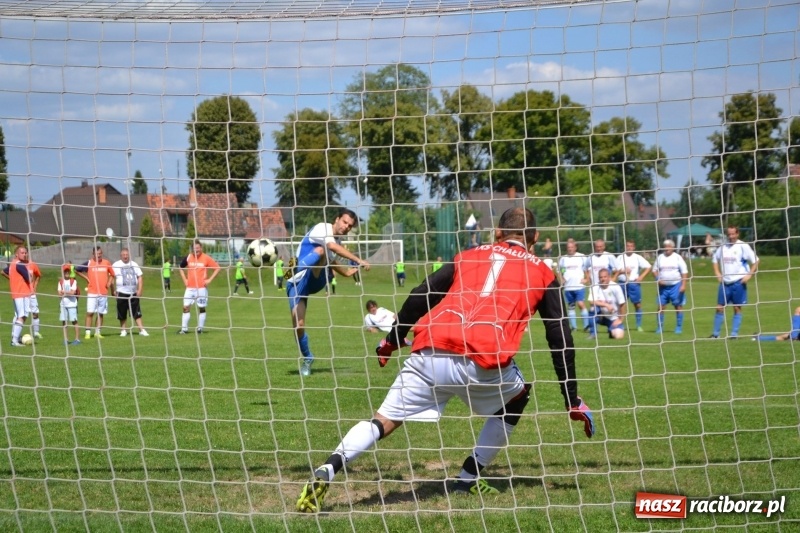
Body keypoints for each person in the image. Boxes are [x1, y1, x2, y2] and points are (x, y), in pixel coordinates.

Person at [295, 207, 595, 513]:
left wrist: (392, 340)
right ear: (534, 238)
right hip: (484, 361)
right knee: (518, 396)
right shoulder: (543, 272)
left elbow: (420, 294)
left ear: (498, 234)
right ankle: (467, 478)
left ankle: (329, 468)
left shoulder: (468, 255)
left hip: (430, 350)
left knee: (383, 419)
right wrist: (571, 398)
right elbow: (560, 336)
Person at [286, 208, 371, 377]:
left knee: (322, 251)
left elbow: (331, 260)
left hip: (315, 278)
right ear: (337, 219)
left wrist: (346, 273)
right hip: (296, 283)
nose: (346, 227)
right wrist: (358, 260)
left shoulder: (334, 243)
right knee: (299, 325)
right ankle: (308, 358)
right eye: (345, 222)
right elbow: (331, 248)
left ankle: (295, 266)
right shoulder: (322, 228)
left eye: (350, 226)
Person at [710, 226, 758, 339]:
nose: (731, 236)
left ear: (737, 234)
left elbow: (756, 260)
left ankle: (734, 335)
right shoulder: (723, 247)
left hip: (738, 282)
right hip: (725, 283)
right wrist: (717, 273)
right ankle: (715, 334)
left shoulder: (743, 246)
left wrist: (749, 275)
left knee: (737, 308)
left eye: (733, 234)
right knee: (719, 307)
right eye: (729, 234)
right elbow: (714, 259)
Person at [177, 240, 222, 334]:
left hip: (201, 288)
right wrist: (185, 280)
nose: (196, 250)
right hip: (189, 288)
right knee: (185, 307)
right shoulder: (189, 257)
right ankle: (184, 329)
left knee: (201, 308)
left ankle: (200, 329)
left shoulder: (206, 258)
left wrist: (209, 280)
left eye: (197, 248)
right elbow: (180, 267)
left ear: (201, 248)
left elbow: (217, 268)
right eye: (194, 248)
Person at [75, 246, 115, 339]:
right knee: (90, 312)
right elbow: (77, 270)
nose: (99, 256)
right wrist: (87, 278)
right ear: (93, 254)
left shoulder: (106, 262)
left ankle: (98, 332)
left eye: (100, 254)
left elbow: (112, 274)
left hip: (103, 292)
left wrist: (109, 282)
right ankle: (88, 333)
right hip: (92, 292)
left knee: (100, 313)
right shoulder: (89, 263)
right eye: (97, 254)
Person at [2, 246, 39, 347]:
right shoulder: (19, 265)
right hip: (21, 293)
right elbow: (30, 278)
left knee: (19, 315)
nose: (25, 254)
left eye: (25, 253)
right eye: (22, 253)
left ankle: (15, 336)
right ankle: (14, 340)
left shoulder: (13, 264)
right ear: (16, 254)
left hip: (17, 293)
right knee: (22, 316)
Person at [651, 239, 688, 335]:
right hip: (663, 288)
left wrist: (683, 285)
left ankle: (679, 327)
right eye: (665, 246)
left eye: (668, 246)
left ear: (672, 247)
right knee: (660, 307)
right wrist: (658, 278)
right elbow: (654, 270)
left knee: (678, 306)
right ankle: (659, 327)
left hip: (676, 285)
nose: (666, 248)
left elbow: (684, 272)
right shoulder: (660, 257)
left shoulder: (678, 257)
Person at [615, 239, 652, 332]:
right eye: (628, 246)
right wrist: (623, 271)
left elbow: (648, 267)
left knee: (637, 304)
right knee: (621, 305)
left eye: (631, 246)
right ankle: (620, 324)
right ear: (625, 247)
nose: (629, 248)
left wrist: (641, 277)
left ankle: (639, 325)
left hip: (633, 284)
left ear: (634, 247)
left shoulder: (637, 257)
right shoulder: (620, 257)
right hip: (622, 283)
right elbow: (614, 271)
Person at [112, 247, 149, 337]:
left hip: (133, 293)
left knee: (137, 312)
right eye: (124, 255)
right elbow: (111, 277)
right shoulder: (116, 265)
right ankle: (123, 330)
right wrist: (113, 290)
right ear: (121, 256)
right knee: (122, 313)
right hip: (121, 292)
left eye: (127, 255)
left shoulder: (134, 264)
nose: (125, 256)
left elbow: (140, 277)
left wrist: (140, 290)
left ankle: (141, 330)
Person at [557, 238, 589, 331]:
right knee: (571, 306)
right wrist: (562, 279)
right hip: (568, 287)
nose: (570, 249)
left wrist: (586, 279)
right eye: (568, 247)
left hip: (579, 286)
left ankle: (586, 326)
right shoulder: (563, 258)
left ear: (575, 247)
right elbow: (560, 270)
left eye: (572, 247)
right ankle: (574, 327)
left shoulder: (581, 257)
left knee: (581, 304)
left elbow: (587, 269)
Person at [587, 269, 627, 340]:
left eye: (605, 277)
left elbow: (622, 304)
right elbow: (591, 301)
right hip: (601, 316)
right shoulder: (595, 287)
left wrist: (620, 319)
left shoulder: (616, 287)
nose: (603, 279)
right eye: (601, 277)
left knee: (618, 336)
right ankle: (593, 334)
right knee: (593, 309)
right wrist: (606, 305)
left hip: (613, 317)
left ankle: (611, 330)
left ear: (609, 277)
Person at [58, 264, 81, 345]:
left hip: (72, 304)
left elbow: (73, 292)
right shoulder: (60, 281)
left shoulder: (73, 281)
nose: (66, 272)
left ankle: (77, 339)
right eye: (65, 271)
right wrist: (67, 293)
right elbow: (59, 293)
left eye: (68, 271)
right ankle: (66, 339)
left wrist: (64, 292)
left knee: (74, 321)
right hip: (63, 305)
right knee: (64, 322)